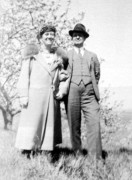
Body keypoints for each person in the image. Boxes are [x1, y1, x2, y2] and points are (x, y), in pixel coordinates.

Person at [15, 25, 68, 154]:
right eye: (46, 34)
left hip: (51, 98)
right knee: (32, 124)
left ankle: (46, 152)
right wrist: (23, 95)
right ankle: (27, 152)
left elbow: (63, 77)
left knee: (49, 127)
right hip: (34, 97)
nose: (50, 37)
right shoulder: (32, 56)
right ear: (40, 38)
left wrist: (62, 90)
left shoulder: (58, 57)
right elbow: (24, 76)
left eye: (52, 34)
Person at [66, 23, 102, 158]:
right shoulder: (66, 55)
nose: (77, 36)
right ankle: (78, 155)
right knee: (74, 125)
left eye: (80, 35)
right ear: (72, 37)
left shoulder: (92, 55)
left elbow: (97, 74)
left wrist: (90, 85)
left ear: (84, 38)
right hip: (71, 93)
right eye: (75, 35)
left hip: (90, 94)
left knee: (94, 124)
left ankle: (96, 159)